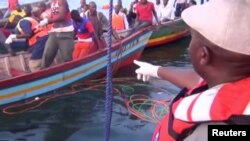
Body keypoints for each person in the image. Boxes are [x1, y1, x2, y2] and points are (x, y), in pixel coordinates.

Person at [134, 0, 250, 141]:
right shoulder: (231, 76)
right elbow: (198, 81)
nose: (189, 48)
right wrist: (155, 70)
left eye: (192, 39)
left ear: (203, 55)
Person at [5, 5, 48, 72]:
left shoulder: (22, 22)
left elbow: (28, 34)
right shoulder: (30, 19)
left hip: (40, 40)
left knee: (33, 65)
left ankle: (42, 79)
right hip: (42, 38)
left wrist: (14, 36)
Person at [39, 0, 75, 68]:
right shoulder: (52, 3)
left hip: (65, 32)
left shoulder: (61, 1)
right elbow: (54, 17)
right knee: (47, 54)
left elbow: (62, 16)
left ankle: (70, 72)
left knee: (67, 57)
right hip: (54, 32)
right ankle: (43, 72)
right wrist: (46, 20)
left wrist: (47, 21)